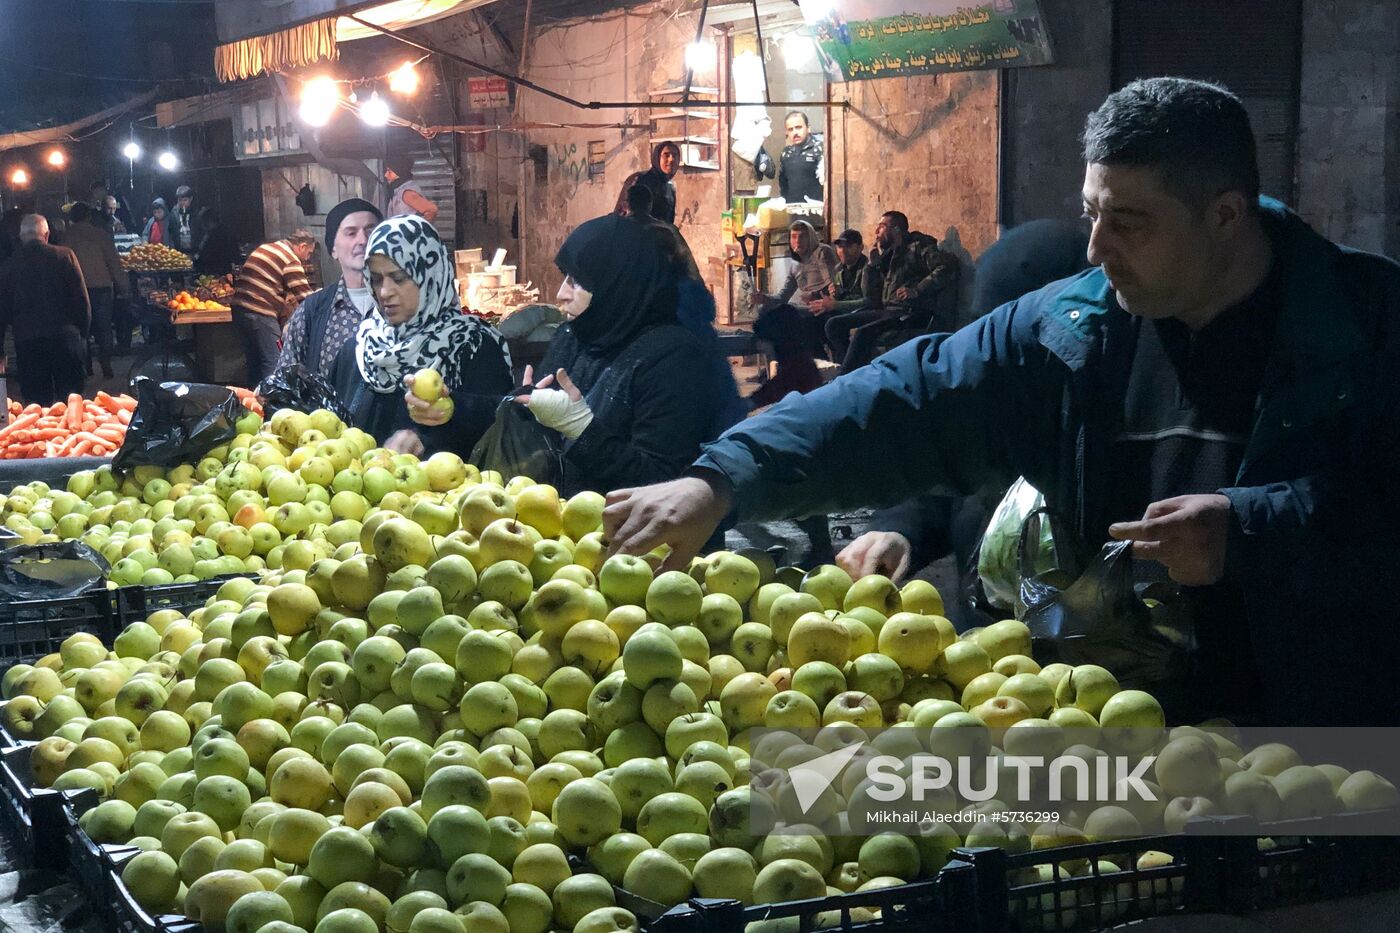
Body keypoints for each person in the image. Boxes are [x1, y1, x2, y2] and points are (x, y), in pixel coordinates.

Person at [601, 78, 1400, 728]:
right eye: (1092, 213)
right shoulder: (1074, 325)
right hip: (1123, 743)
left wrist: (1251, 534)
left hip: (1329, 754)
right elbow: (913, 394)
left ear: (1225, 216)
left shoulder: (1369, 328)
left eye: (1129, 222)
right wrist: (723, 478)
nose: (1096, 248)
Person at [838, 219, 1092, 630]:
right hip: (979, 661)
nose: (997, 354)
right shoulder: (991, 395)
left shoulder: (1113, 419)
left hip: (1085, 674)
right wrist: (896, 531)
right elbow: (938, 477)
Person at [513, 213, 735, 495]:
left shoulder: (675, 360)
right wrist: (461, 407)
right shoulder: (576, 337)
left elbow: (662, 481)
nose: (561, 294)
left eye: (578, 281)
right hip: (562, 524)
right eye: (565, 277)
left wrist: (581, 429)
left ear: (616, 282)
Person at [330, 215, 510, 456]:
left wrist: (451, 414)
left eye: (399, 278)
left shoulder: (472, 345)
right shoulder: (362, 348)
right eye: (375, 279)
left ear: (430, 274)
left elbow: (504, 421)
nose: (384, 292)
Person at [826, 210, 958, 371]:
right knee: (833, 325)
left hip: (911, 312)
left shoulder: (917, 247)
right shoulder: (890, 253)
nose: (876, 232)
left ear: (896, 230)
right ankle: (851, 370)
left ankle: (846, 377)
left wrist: (917, 290)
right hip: (888, 310)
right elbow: (871, 296)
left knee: (862, 333)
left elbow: (947, 267)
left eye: (881, 227)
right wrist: (873, 265)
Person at [276, 198, 383, 381]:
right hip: (327, 411)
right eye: (351, 233)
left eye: (370, 230)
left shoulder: (407, 304)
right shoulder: (314, 310)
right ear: (333, 249)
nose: (363, 240)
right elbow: (286, 380)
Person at [0, 215, 90, 405]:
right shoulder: (65, 256)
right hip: (65, 339)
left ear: (21, 236)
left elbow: (2, 311)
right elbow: (81, 300)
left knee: (37, 404)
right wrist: (83, 334)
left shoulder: (8, 267)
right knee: (71, 401)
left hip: (28, 342)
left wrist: (1, 350)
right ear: (47, 234)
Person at [749, 220, 837, 408]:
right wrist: (764, 298)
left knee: (791, 315)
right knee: (772, 311)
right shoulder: (794, 265)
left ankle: (811, 365)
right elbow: (782, 297)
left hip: (825, 306)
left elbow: (833, 284)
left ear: (811, 236)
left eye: (802, 236)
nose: (798, 241)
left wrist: (817, 294)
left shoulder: (822, 253)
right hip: (807, 308)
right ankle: (774, 367)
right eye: (794, 236)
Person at [231, 230, 316, 387]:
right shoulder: (290, 259)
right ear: (302, 246)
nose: (308, 258)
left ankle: (254, 403)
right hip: (260, 311)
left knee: (254, 363)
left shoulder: (267, 248)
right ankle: (273, 403)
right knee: (274, 362)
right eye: (309, 253)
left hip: (239, 310)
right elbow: (306, 297)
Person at [63, 202, 129, 379]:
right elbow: (114, 263)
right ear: (89, 217)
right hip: (102, 288)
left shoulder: (66, 237)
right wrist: (124, 287)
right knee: (104, 328)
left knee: (81, 329)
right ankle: (106, 365)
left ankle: (87, 366)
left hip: (76, 290)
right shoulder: (101, 235)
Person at [809, 228, 870, 352]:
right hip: (844, 310)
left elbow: (868, 301)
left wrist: (835, 304)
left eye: (848, 246)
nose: (842, 251)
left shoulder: (868, 269)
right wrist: (832, 296)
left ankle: (846, 362)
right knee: (810, 321)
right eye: (839, 247)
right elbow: (839, 294)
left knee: (833, 324)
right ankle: (826, 362)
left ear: (860, 247)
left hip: (861, 312)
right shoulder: (839, 269)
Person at [614, 142, 681, 225]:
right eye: (666, 155)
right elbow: (619, 214)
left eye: (675, 155)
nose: (671, 159)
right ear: (657, 157)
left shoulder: (671, 187)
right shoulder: (638, 179)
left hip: (661, 236)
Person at [778, 111, 824, 204]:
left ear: (808, 128)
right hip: (791, 210)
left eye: (798, 127)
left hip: (816, 209)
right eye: (790, 129)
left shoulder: (820, 150)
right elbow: (783, 184)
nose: (795, 132)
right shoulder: (786, 153)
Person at [384, 154, 438, 222]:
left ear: (398, 172)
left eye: (389, 171)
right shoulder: (398, 192)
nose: (386, 175)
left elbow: (431, 210)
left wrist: (415, 228)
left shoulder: (406, 193)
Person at [193, 207, 242, 275]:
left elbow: (205, 254)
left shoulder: (213, 235)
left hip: (216, 270)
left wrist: (196, 262)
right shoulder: (226, 231)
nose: (202, 226)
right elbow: (236, 253)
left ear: (208, 222)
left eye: (202, 223)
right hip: (224, 269)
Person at [170, 185, 201, 255]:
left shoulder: (196, 213)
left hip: (194, 252)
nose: (182, 203)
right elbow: (171, 233)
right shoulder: (174, 214)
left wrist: (199, 251)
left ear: (191, 199)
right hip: (178, 252)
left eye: (185, 200)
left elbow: (201, 234)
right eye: (180, 200)